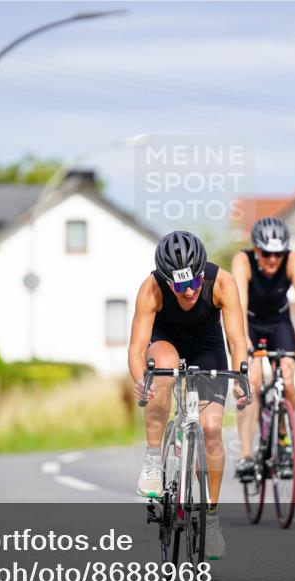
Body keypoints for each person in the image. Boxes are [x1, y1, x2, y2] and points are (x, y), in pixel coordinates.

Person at [129, 230, 250, 560]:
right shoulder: (151, 288)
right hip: (165, 340)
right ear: (167, 281)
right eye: (180, 285)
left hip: (207, 346)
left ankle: (211, 518)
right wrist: (141, 380)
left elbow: (237, 339)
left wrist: (241, 377)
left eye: (195, 282)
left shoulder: (222, 282)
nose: (189, 291)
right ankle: (153, 461)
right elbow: (137, 348)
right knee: (162, 370)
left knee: (211, 430)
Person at [231, 217, 295, 481]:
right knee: (251, 383)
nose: (273, 259)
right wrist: (245, 343)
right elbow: (238, 305)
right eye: (266, 253)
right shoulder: (242, 261)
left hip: (279, 323)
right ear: (256, 249)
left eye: (278, 254)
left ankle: (283, 437)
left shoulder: (294, 261)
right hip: (248, 323)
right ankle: (246, 455)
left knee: (288, 381)